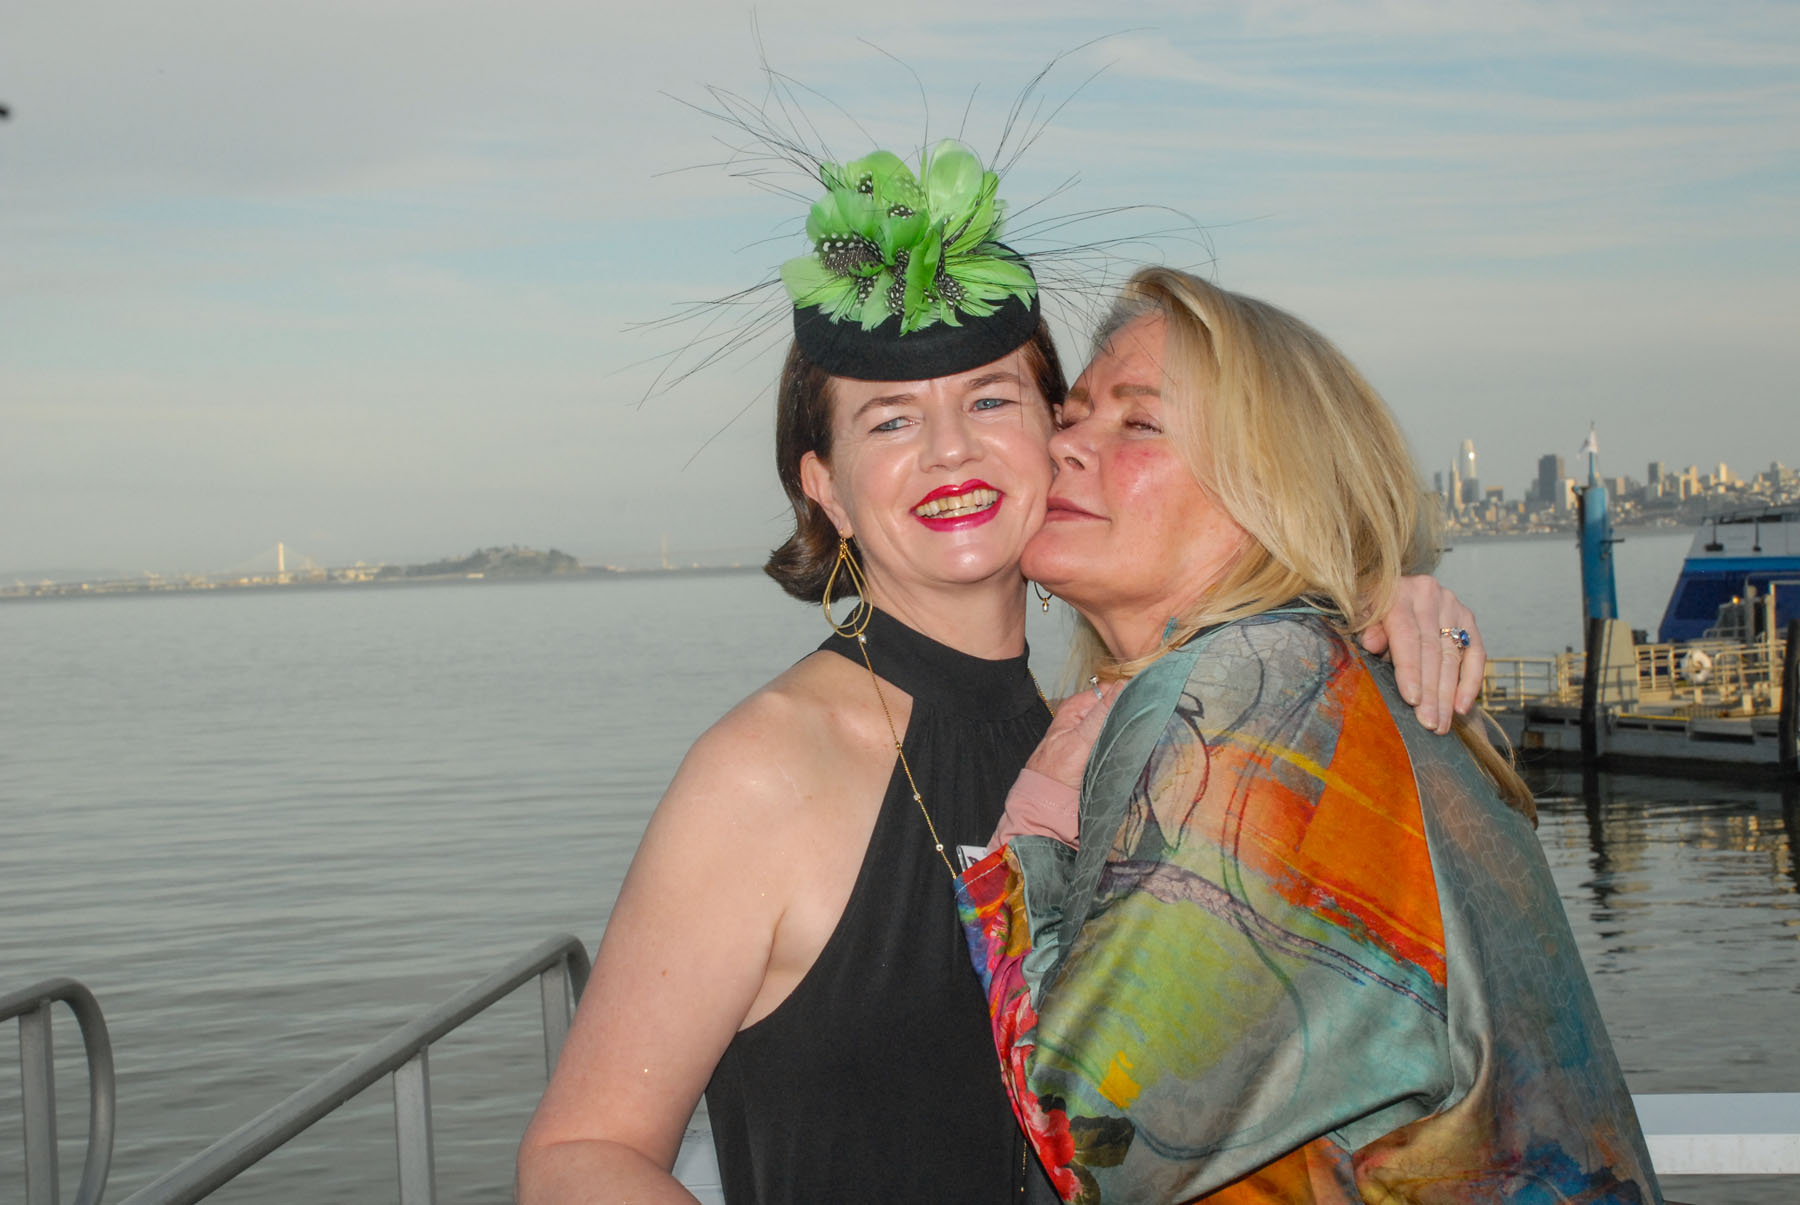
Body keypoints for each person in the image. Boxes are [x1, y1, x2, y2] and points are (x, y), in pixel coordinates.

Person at [516, 144, 1485, 1204]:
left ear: (1053, 436)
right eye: (891, 419)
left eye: (989, 400)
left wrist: (1364, 609)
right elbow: (580, 1154)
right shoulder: (765, 771)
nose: (950, 451)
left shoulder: (1109, 740)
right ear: (826, 487)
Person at [957, 268, 1661, 1203]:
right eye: (1075, 414)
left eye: (1140, 422)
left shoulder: (1261, 689)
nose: (1066, 446)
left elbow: (1091, 1137)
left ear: (1271, 492)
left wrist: (1036, 828)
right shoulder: (1298, 674)